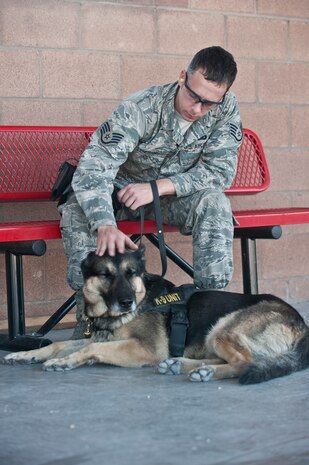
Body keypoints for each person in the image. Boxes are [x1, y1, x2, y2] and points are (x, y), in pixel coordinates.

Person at [59, 46, 243, 339]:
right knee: (77, 210)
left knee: (214, 202)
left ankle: (208, 315)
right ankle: (90, 323)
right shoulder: (141, 107)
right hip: (118, 196)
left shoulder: (226, 108)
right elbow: (93, 169)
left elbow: (220, 172)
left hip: (167, 198)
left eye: (208, 103)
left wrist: (158, 188)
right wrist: (104, 224)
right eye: (193, 96)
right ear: (183, 77)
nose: (197, 109)